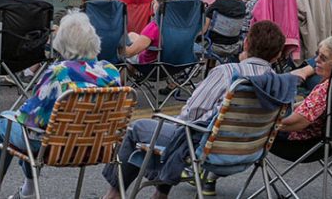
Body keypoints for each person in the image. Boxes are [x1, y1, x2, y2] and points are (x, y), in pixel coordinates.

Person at [105, 21, 292, 198]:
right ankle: (160, 194)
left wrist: (172, 122)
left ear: (246, 43)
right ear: (277, 55)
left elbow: (191, 113)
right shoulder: (278, 83)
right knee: (168, 138)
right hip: (250, 151)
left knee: (138, 129)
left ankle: (115, 194)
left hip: (205, 147)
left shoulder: (227, 72)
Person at [0, 12, 121, 199]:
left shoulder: (59, 73)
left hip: (56, 148)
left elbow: (31, 117)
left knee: (5, 123)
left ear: (62, 44)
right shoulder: (110, 72)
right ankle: (27, 188)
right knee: (32, 129)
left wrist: (20, 111)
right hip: (96, 146)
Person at [268, 35, 332, 160]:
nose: (316, 60)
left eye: (323, 58)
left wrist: (261, 121)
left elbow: (295, 123)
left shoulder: (325, 89)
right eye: (317, 54)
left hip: (299, 145)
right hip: (330, 141)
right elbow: (309, 107)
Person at [125, 0, 181, 64]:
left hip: (150, 64)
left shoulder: (154, 27)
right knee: (131, 35)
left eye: (154, 3)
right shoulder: (182, 25)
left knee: (124, 53)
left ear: (158, 6)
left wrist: (117, 44)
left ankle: (126, 74)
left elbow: (129, 53)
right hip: (175, 62)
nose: (153, 5)